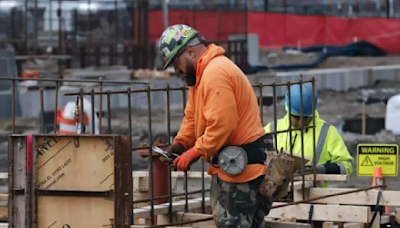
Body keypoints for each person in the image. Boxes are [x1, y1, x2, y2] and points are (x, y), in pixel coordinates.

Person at [158, 24, 274, 228]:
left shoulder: (214, 74)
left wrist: (193, 153)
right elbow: (192, 117)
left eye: (176, 62)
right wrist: (180, 144)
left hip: (242, 174)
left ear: (190, 51)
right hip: (238, 169)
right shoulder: (201, 76)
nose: (176, 70)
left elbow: (222, 126)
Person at [264, 82, 353, 187]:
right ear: (287, 109)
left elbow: (346, 167)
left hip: (314, 198)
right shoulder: (272, 129)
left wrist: (322, 169)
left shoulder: (327, 132)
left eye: (305, 118)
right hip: (276, 198)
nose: (300, 123)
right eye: (296, 117)